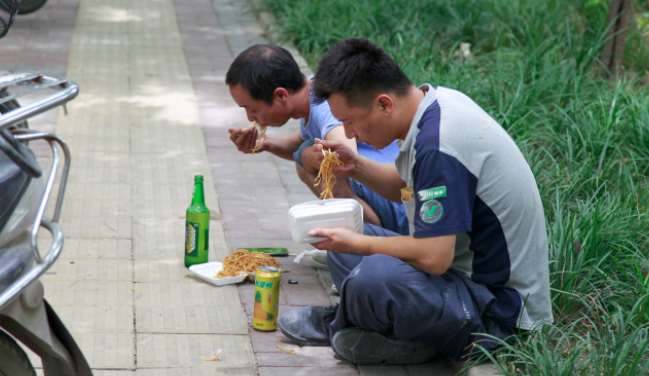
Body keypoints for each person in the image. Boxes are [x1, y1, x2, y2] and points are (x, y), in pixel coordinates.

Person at [276, 38, 553, 365]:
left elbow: (434, 258)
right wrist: (357, 165)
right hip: (458, 275)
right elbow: (400, 187)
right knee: (342, 243)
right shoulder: (435, 104)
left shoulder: (439, 146)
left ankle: (395, 331)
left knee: (372, 273)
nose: (347, 132)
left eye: (349, 121)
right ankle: (368, 321)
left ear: (383, 104)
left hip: (497, 311)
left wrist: (362, 244)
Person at [225, 44, 408, 238]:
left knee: (320, 162)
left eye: (252, 109)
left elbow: (344, 155)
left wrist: (306, 155)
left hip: (402, 205)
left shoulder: (324, 104)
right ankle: (367, 240)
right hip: (397, 197)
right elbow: (301, 142)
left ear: (281, 95)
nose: (250, 119)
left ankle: (377, 242)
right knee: (304, 154)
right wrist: (266, 144)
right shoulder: (314, 89)